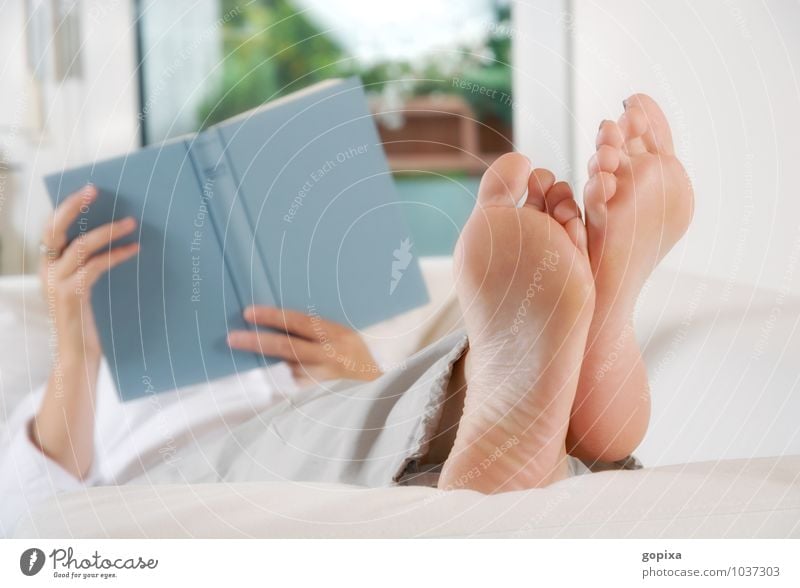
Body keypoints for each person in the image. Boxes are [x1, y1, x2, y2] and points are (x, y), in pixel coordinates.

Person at [0, 94, 692, 533]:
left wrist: (357, 368)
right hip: (182, 485)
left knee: (379, 414)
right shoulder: (79, 395)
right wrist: (78, 352)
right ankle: (570, 403)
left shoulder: (308, 344)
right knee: (327, 438)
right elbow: (31, 508)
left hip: (331, 413)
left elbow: (364, 403)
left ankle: (542, 377)